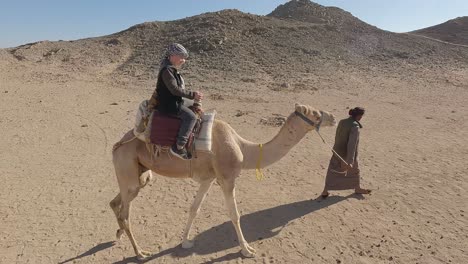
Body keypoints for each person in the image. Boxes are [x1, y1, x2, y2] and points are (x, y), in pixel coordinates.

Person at [148, 43, 203, 160]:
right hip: (169, 105)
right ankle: (179, 146)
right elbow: (174, 90)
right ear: (172, 56)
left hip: (173, 101)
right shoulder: (167, 70)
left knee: (194, 109)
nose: (183, 60)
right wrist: (192, 95)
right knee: (191, 117)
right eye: (181, 57)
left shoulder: (170, 69)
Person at [321, 107, 371, 198]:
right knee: (355, 171)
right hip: (347, 155)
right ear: (359, 116)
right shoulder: (355, 126)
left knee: (332, 171)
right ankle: (357, 188)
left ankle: (325, 190)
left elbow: (338, 136)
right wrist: (350, 161)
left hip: (337, 151)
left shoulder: (342, 122)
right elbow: (352, 145)